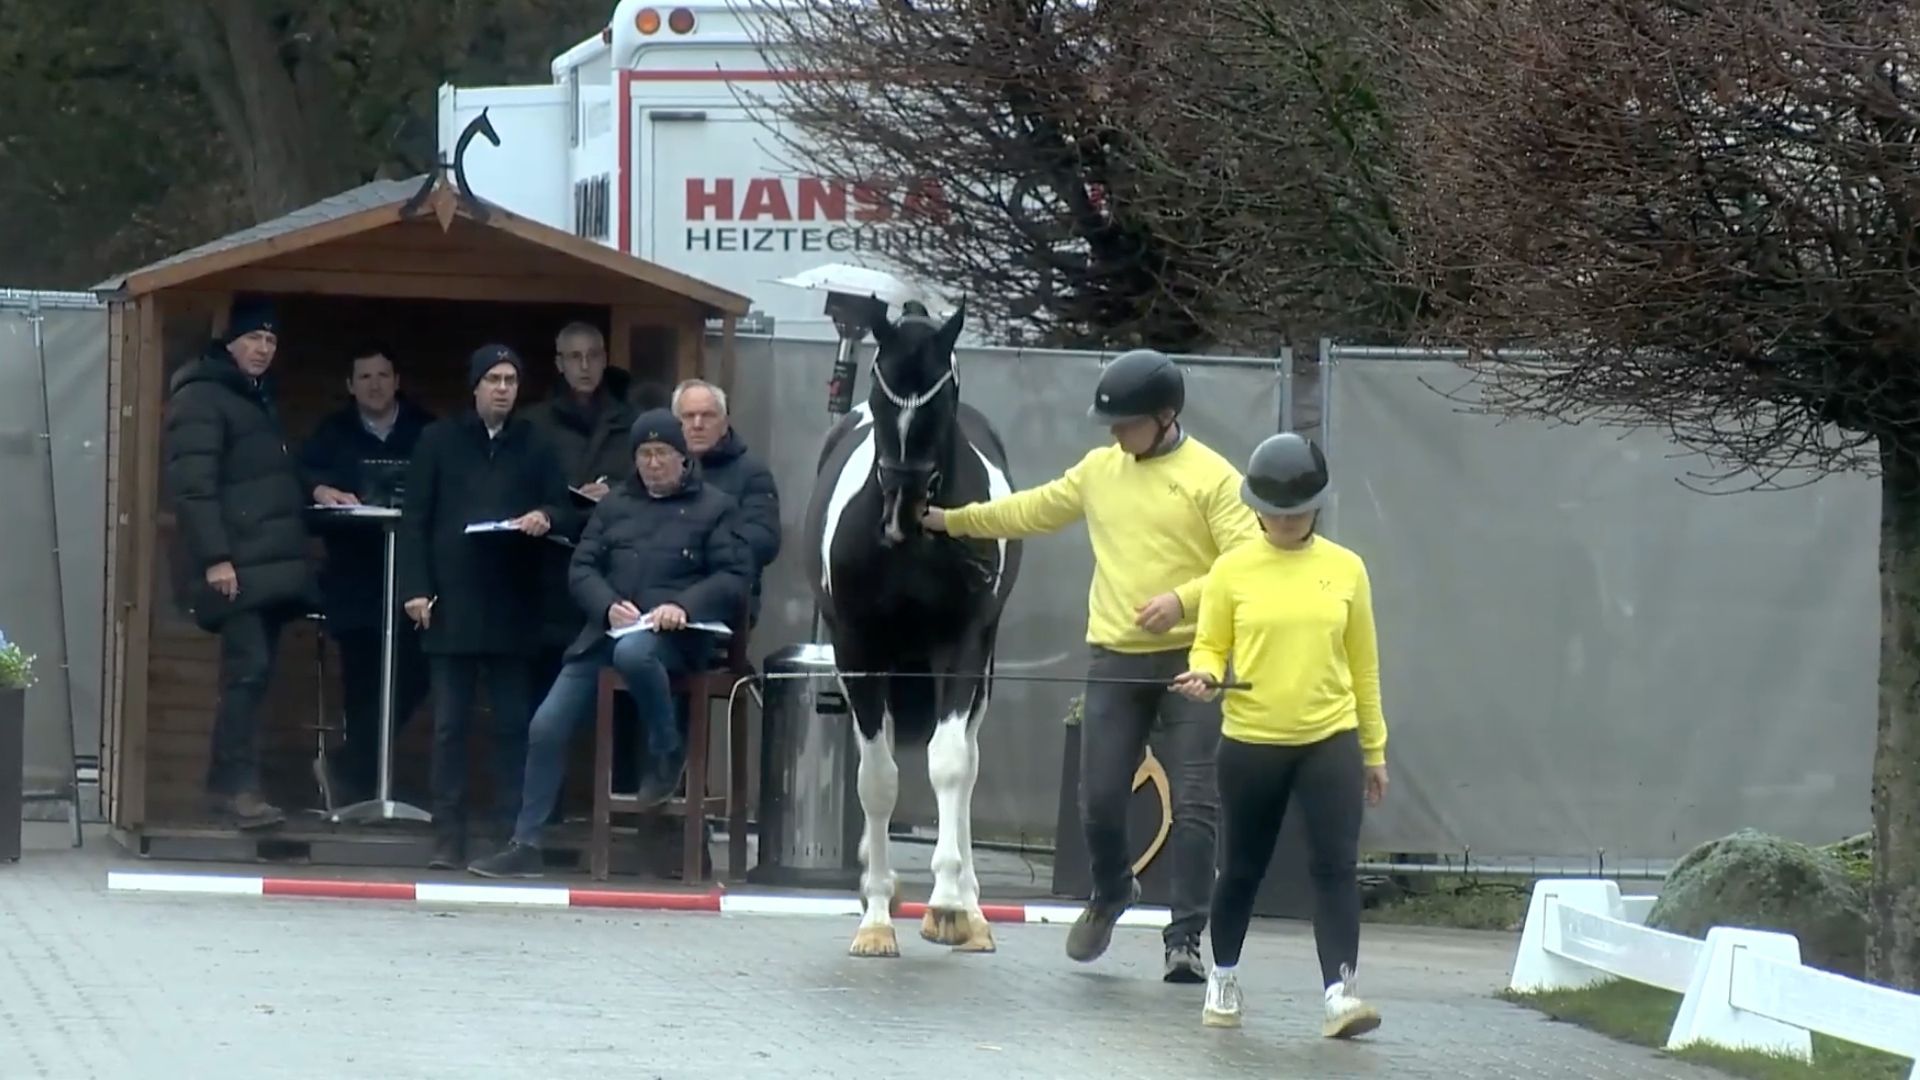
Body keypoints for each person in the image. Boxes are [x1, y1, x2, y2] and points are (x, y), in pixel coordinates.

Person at [921, 348, 1261, 982]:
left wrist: (1181, 600)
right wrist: (953, 521)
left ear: (1165, 417)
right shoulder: (1100, 470)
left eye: (1126, 422)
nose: (1114, 433)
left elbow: (1245, 563)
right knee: (1099, 799)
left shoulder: (1213, 478)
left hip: (1195, 660)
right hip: (1116, 658)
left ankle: (1185, 938)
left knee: (1195, 803)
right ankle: (1112, 890)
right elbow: (1033, 509)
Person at [464, 409, 752, 878]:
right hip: (609, 630)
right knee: (546, 724)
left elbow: (734, 576)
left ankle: (666, 751)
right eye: (644, 454)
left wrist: (683, 605)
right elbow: (582, 567)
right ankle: (526, 841)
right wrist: (607, 604)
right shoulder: (615, 505)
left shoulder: (716, 507)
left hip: (675, 634)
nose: (653, 463)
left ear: (683, 458)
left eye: (662, 453)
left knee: (634, 654)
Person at [1172, 432, 1389, 1039]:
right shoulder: (1230, 571)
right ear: (1256, 508)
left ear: (1316, 507)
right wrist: (1205, 674)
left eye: (1298, 510)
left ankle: (1340, 993)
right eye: (1275, 511)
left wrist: (1374, 750)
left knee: (1336, 867)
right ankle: (1224, 977)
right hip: (1252, 742)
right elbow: (1210, 644)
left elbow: (1364, 666)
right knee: (1242, 868)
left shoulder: (1347, 569)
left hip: (1330, 739)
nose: (1287, 521)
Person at [397, 344, 574, 870]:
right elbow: (415, 520)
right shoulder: (439, 440)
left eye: (510, 381)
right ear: (474, 386)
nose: (502, 389)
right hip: (451, 604)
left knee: (513, 726)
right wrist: (415, 589)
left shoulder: (536, 443)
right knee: (449, 727)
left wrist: (545, 516)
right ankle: (447, 836)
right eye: (493, 380)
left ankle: (509, 834)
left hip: (512, 605)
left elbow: (564, 507)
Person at [160, 299, 316, 830]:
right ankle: (235, 788)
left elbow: (267, 473)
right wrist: (216, 558)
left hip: (261, 566)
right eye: (253, 338)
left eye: (271, 341)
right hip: (236, 566)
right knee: (248, 672)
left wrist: (316, 489)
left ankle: (229, 784)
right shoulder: (204, 397)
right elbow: (192, 486)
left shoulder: (252, 399)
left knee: (252, 674)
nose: (263, 349)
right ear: (229, 343)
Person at [301, 345, 436, 807]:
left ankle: (349, 769)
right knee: (361, 685)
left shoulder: (426, 431)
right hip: (353, 579)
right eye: (364, 377)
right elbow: (302, 480)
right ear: (350, 385)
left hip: (413, 580)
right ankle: (361, 790)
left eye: (382, 375)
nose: (375, 385)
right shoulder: (331, 433)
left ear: (397, 381)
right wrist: (320, 490)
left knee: (416, 674)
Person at [671, 378, 781, 626]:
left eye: (708, 416)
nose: (697, 424)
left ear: (724, 423)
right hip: (660, 594)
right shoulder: (660, 471)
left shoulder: (751, 472)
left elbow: (765, 539)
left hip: (724, 599)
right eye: (688, 416)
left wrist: (700, 550)